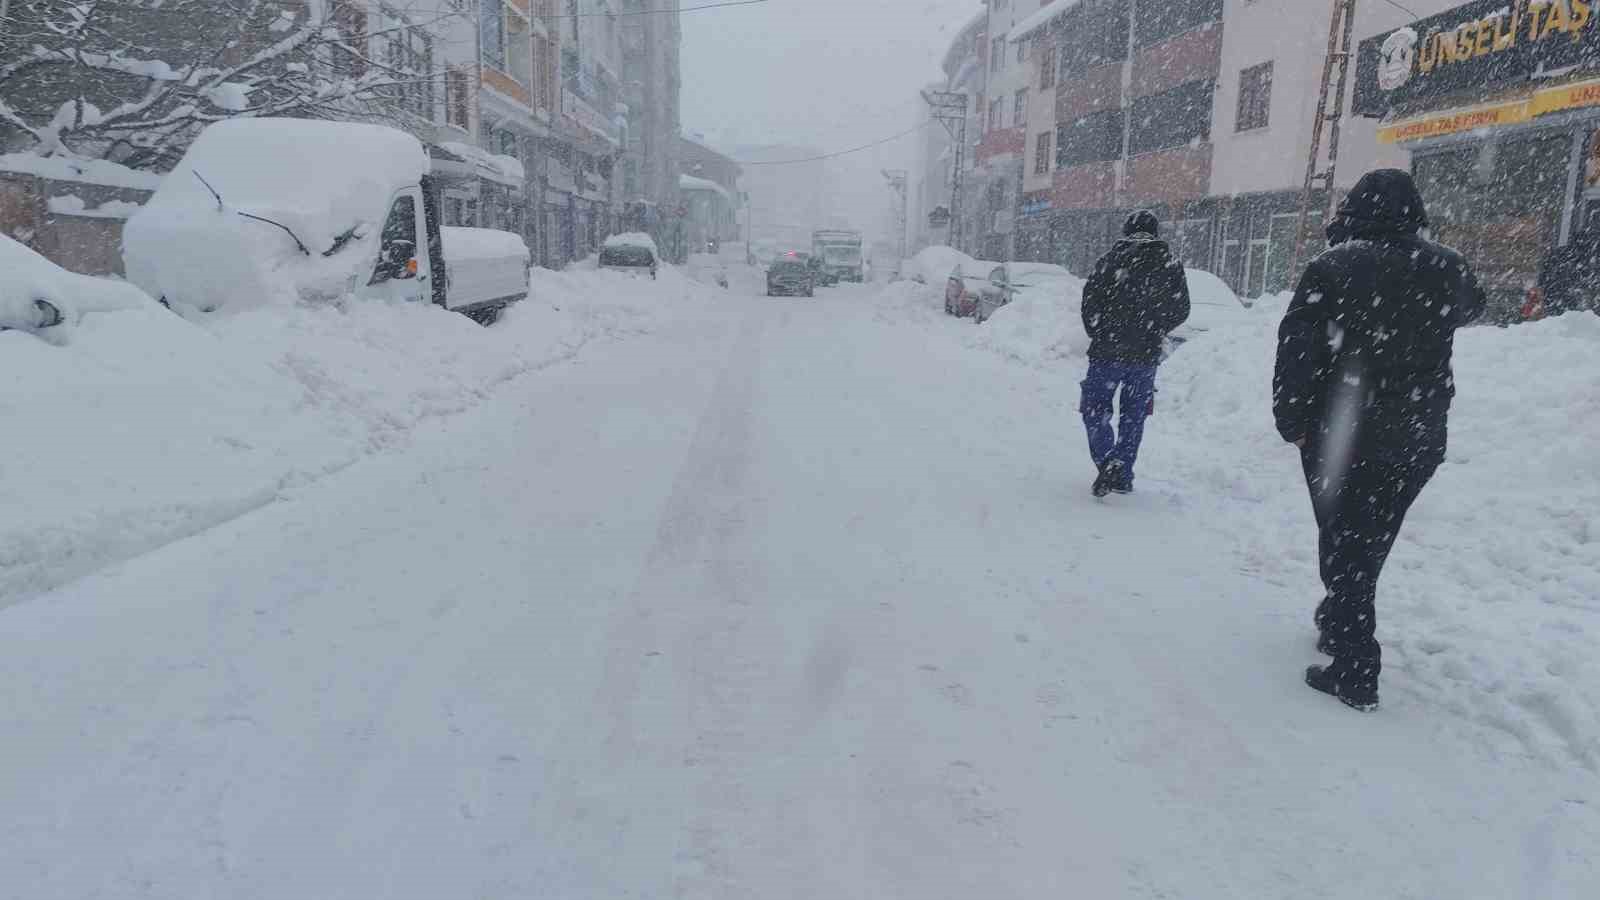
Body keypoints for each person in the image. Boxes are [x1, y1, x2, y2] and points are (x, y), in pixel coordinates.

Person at [1274, 169, 1486, 712]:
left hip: (1346, 428)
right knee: (1369, 532)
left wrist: (1290, 417)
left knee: (1346, 535)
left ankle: (1354, 667)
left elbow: (1298, 349)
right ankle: (1339, 612)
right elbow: (1472, 307)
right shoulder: (1447, 267)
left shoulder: (1335, 266)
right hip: (1419, 432)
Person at [1079, 210, 1191, 497]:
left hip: (1106, 353)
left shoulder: (1109, 262)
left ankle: (1107, 460)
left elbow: (1090, 304)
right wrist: (1155, 328)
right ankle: (1123, 471)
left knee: (1096, 408)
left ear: (1126, 231)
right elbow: (1181, 308)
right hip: (1145, 357)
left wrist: (1100, 332)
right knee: (1134, 415)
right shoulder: (1170, 264)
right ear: (1156, 232)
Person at [1534, 217, 1600, 318]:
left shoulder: (1562, 252)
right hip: (1565, 296)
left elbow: (1544, 272)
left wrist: (1541, 285)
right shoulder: (1585, 259)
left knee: (1558, 321)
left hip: (1555, 294)